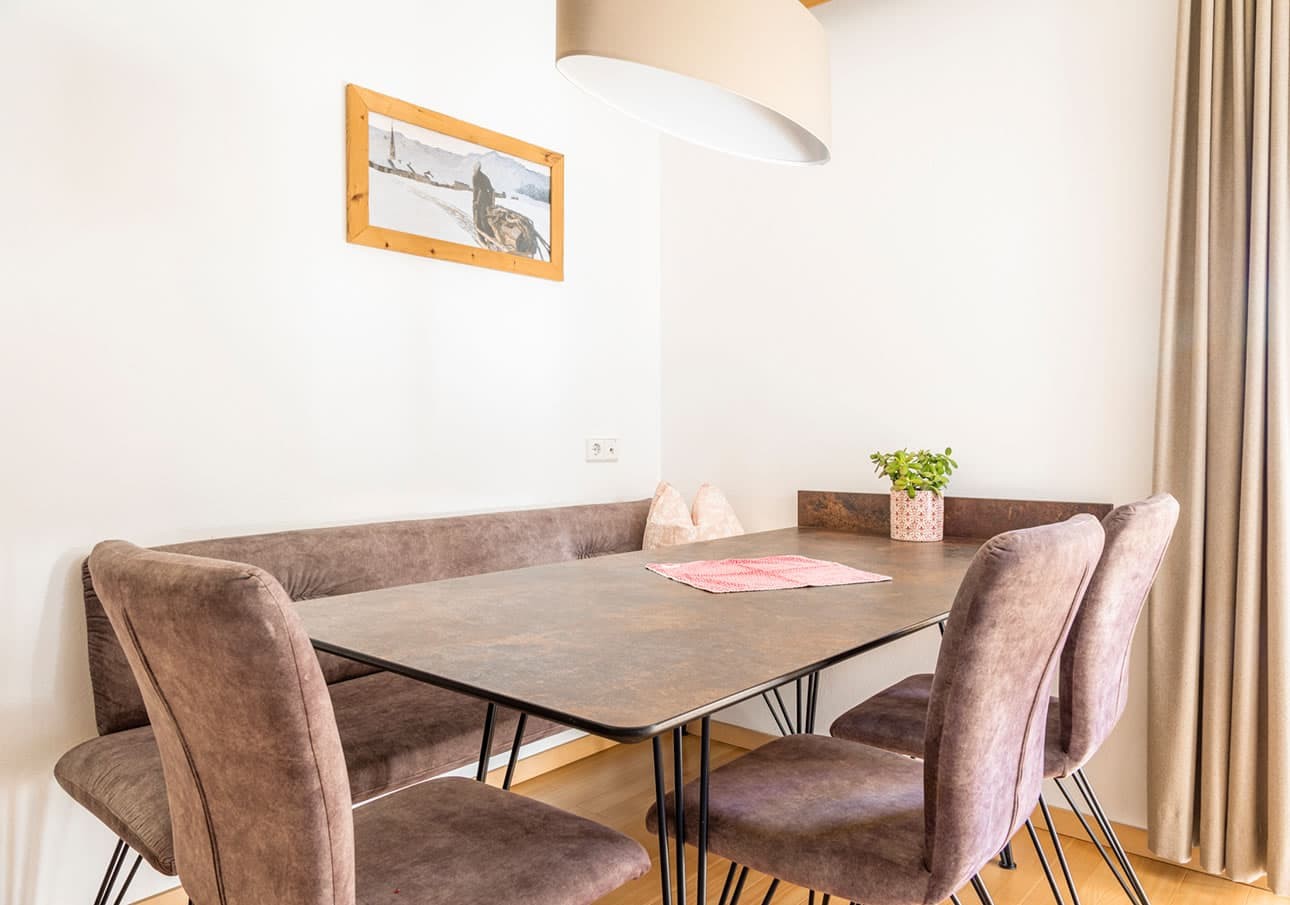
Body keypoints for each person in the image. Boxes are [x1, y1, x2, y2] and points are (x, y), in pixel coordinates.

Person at [472, 161, 496, 239]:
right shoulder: (475, 177)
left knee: (483, 218)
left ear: (479, 168)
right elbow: (475, 190)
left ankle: (489, 236)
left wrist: (491, 202)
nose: (474, 169)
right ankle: (481, 235)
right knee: (478, 217)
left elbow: (488, 190)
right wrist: (474, 200)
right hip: (479, 200)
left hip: (484, 200)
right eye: (474, 168)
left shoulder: (482, 177)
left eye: (476, 167)